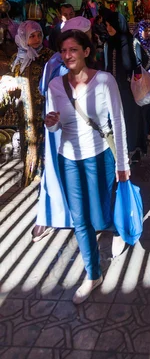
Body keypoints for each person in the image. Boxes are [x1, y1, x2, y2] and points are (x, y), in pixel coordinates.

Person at [45, 29, 130, 304]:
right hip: (67, 157)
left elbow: (117, 121)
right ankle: (93, 274)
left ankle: (115, 228)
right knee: (79, 220)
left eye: (72, 50)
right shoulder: (55, 86)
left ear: (86, 52)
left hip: (99, 155)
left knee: (99, 216)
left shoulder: (104, 81)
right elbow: (57, 125)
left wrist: (123, 163)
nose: (67, 55)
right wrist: (52, 122)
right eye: (63, 50)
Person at [33, 16, 92, 242]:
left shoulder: (53, 62)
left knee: (57, 170)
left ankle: (49, 217)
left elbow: (41, 90)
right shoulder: (75, 63)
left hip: (57, 127)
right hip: (68, 126)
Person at [9, 21, 54, 185]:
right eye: (32, 36)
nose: (36, 39)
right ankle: (29, 174)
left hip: (43, 106)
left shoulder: (49, 56)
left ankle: (42, 177)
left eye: (39, 35)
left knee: (41, 140)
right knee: (27, 140)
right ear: (23, 38)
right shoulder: (17, 58)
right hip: (24, 108)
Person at [101, 8, 148, 159]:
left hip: (129, 90)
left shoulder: (131, 42)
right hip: (112, 89)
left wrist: (136, 75)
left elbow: (148, 60)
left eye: (111, 25)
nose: (108, 29)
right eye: (107, 25)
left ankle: (133, 149)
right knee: (114, 118)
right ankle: (118, 150)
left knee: (131, 117)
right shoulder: (107, 44)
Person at [134, 20, 150, 139]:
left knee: (147, 107)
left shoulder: (149, 43)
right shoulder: (136, 43)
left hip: (148, 80)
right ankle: (142, 134)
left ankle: (146, 132)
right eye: (145, 30)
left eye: (149, 30)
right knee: (142, 107)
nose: (147, 33)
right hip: (140, 81)